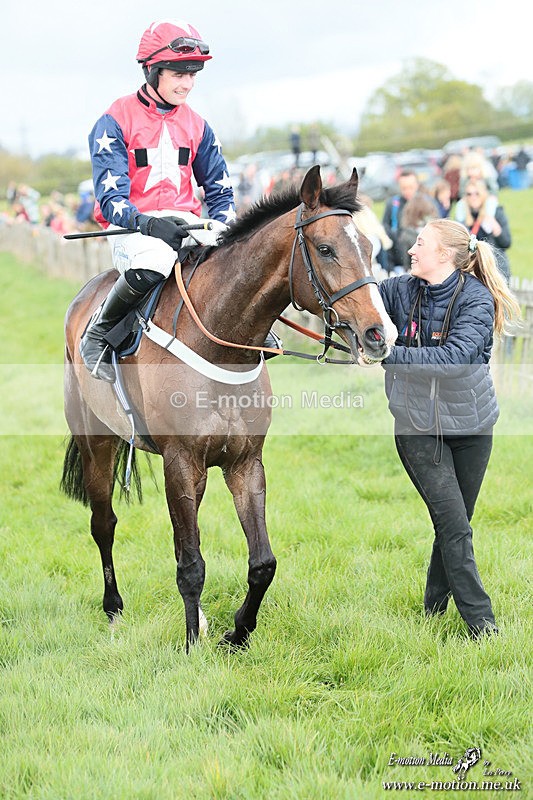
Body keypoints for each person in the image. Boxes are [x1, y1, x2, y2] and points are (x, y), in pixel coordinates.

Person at [378, 219, 521, 639]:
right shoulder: (399, 289)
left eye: (420, 242)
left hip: (473, 428)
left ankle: (433, 610)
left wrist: (389, 354)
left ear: (444, 255)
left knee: (454, 524)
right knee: (454, 525)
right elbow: (356, 298)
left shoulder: (476, 300)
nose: (411, 250)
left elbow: (455, 359)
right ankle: (483, 626)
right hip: (417, 427)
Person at [79, 19, 237, 382]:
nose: (187, 83)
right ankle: (98, 333)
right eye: (178, 73)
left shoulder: (198, 125)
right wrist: (148, 224)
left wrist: (224, 226)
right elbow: (111, 200)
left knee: (234, 261)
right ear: (152, 70)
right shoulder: (113, 121)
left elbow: (221, 190)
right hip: (132, 227)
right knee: (155, 259)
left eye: (193, 74)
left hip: (186, 222)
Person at [454, 178, 512, 283]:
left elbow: (506, 243)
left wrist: (496, 229)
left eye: (477, 193)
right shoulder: (462, 218)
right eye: (469, 194)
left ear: (484, 194)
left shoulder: (495, 212)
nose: (473, 197)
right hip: (472, 270)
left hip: (496, 267)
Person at [382, 171, 436, 273]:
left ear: (417, 185)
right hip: (398, 258)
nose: (407, 191)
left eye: (410, 187)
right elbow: (385, 226)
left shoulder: (428, 203)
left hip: (423, 257)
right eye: (404, 188)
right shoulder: (393, 204)